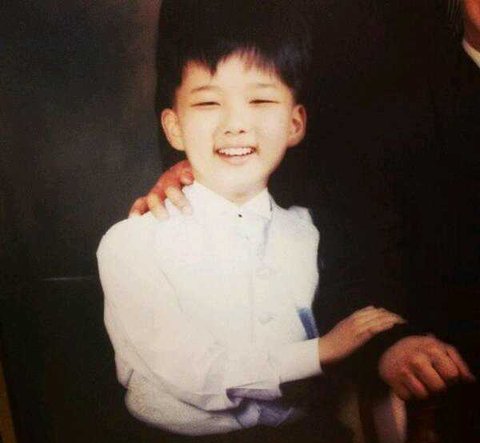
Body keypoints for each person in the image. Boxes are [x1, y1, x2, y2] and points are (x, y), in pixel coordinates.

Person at [97, 2, 404, 443]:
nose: (236, 123)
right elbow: (188, 370)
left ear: (296, 123)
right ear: (174, 126)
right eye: (208, 104)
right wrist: (318, 353)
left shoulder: (311, 232)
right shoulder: (134, 243)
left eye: (259, 102)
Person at [132, 0, 477, 405]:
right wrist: (189, 165)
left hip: (394, 203)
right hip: (269, 197)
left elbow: (444, 58)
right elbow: (180, 71)